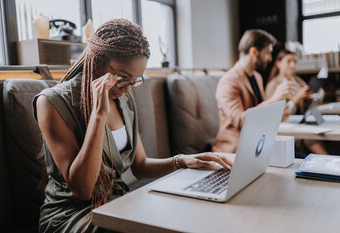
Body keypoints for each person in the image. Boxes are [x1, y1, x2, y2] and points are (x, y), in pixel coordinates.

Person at [34, 19, 232, 233]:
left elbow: (140, 165)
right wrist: (99, 115)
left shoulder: (122, 97)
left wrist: (182, 161)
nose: (128, 90)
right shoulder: (52, 102)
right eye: (122, 77)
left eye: (135, 80)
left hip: (116, 203)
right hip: (72, 215)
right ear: (97, 60)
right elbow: (82, 189)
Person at [212, 29, 294, 153]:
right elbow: (240, 120)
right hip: (236, 150)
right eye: (267, 53)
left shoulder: (257, 77)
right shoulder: (228, 81)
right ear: (254, 51)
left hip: (258, 145)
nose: (270, 58)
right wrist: (273, 99)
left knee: (299, 159)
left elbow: (263, 113)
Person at [265, 49, 329, 155]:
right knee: (312, 138)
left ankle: (328, 160)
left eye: (295, 61)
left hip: (301, 124)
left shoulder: (297, 80)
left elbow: (309, 100)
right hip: (286, 130)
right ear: (278, 63)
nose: (293, 64)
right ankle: (328, 161)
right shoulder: (273, 85)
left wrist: (317, 95)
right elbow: (275, 114)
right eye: (289, 61)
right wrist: (297, 98)